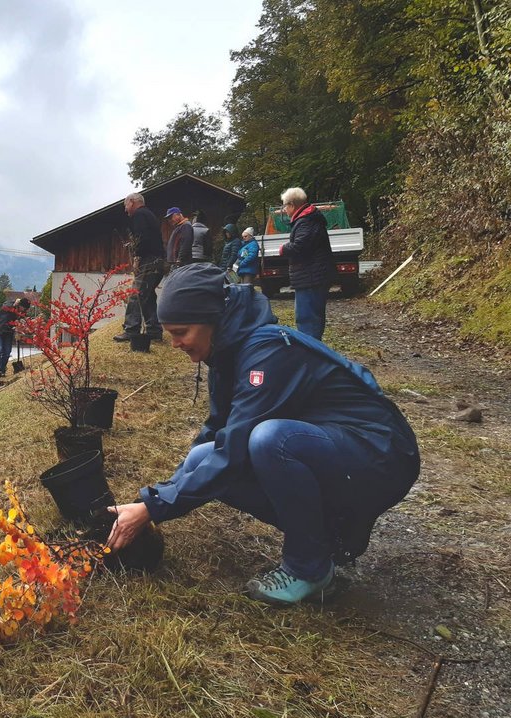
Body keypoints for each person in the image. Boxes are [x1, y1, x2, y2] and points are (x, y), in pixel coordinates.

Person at [106, 264, 420, 605]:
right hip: (332, 449)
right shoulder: (226, 351)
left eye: (181, 331)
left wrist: (153, 509)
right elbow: (216, 431)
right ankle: (329, 536)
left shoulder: (265, 352)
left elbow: (236, 448)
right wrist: (154, 498)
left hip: (380, 453)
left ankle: (310, 569)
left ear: (211, 319)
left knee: (270, 440)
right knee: (203, 455)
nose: (175, 344)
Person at [279, 187, 334, 339]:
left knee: (306, 319)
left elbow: (300, 246)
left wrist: (284, 248)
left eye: (284, 205)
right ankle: (314, 351)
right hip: (313, 277)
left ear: (291, 205)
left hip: (310, 278)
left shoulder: (305, 221)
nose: (284, 209)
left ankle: (311, 354)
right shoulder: (309, 219)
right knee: (313, 318)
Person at [114, 192, 165, 342]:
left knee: (136, 294)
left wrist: (137, 256)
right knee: (147, 295)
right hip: (158, 261)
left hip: (149, 260)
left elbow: (143, 239)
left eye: (126, 206)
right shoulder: (149, 215)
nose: (125, 210)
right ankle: (154, 330)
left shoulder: (140, 215)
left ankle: (131, 329)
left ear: (132, 202)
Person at [0, 296, 30, 377]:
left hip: (8, 332)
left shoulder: (22, 311)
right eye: (24, 308)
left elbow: (22, 319)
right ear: (20, 305)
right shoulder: (9, 305)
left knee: (7, 352)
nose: (24, 311)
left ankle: (2, 369)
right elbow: (5, 306)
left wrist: (20, 328)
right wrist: (14, 305)